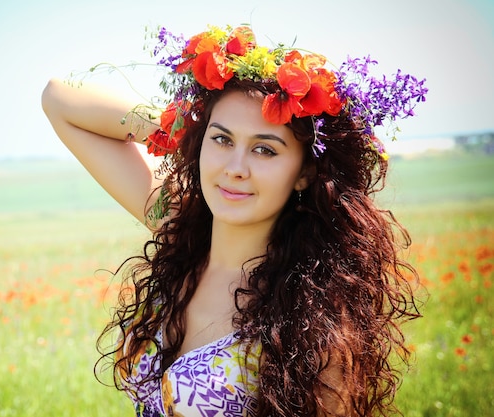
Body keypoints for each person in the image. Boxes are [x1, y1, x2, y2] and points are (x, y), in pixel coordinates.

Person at [42, 24, 426, 417]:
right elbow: (60, 98)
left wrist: (217, 131)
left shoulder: (313, 316)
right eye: (222, 140)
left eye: (264, 150)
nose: (235, 168)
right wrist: (185, 128)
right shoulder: (180, 230)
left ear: (304, 172)